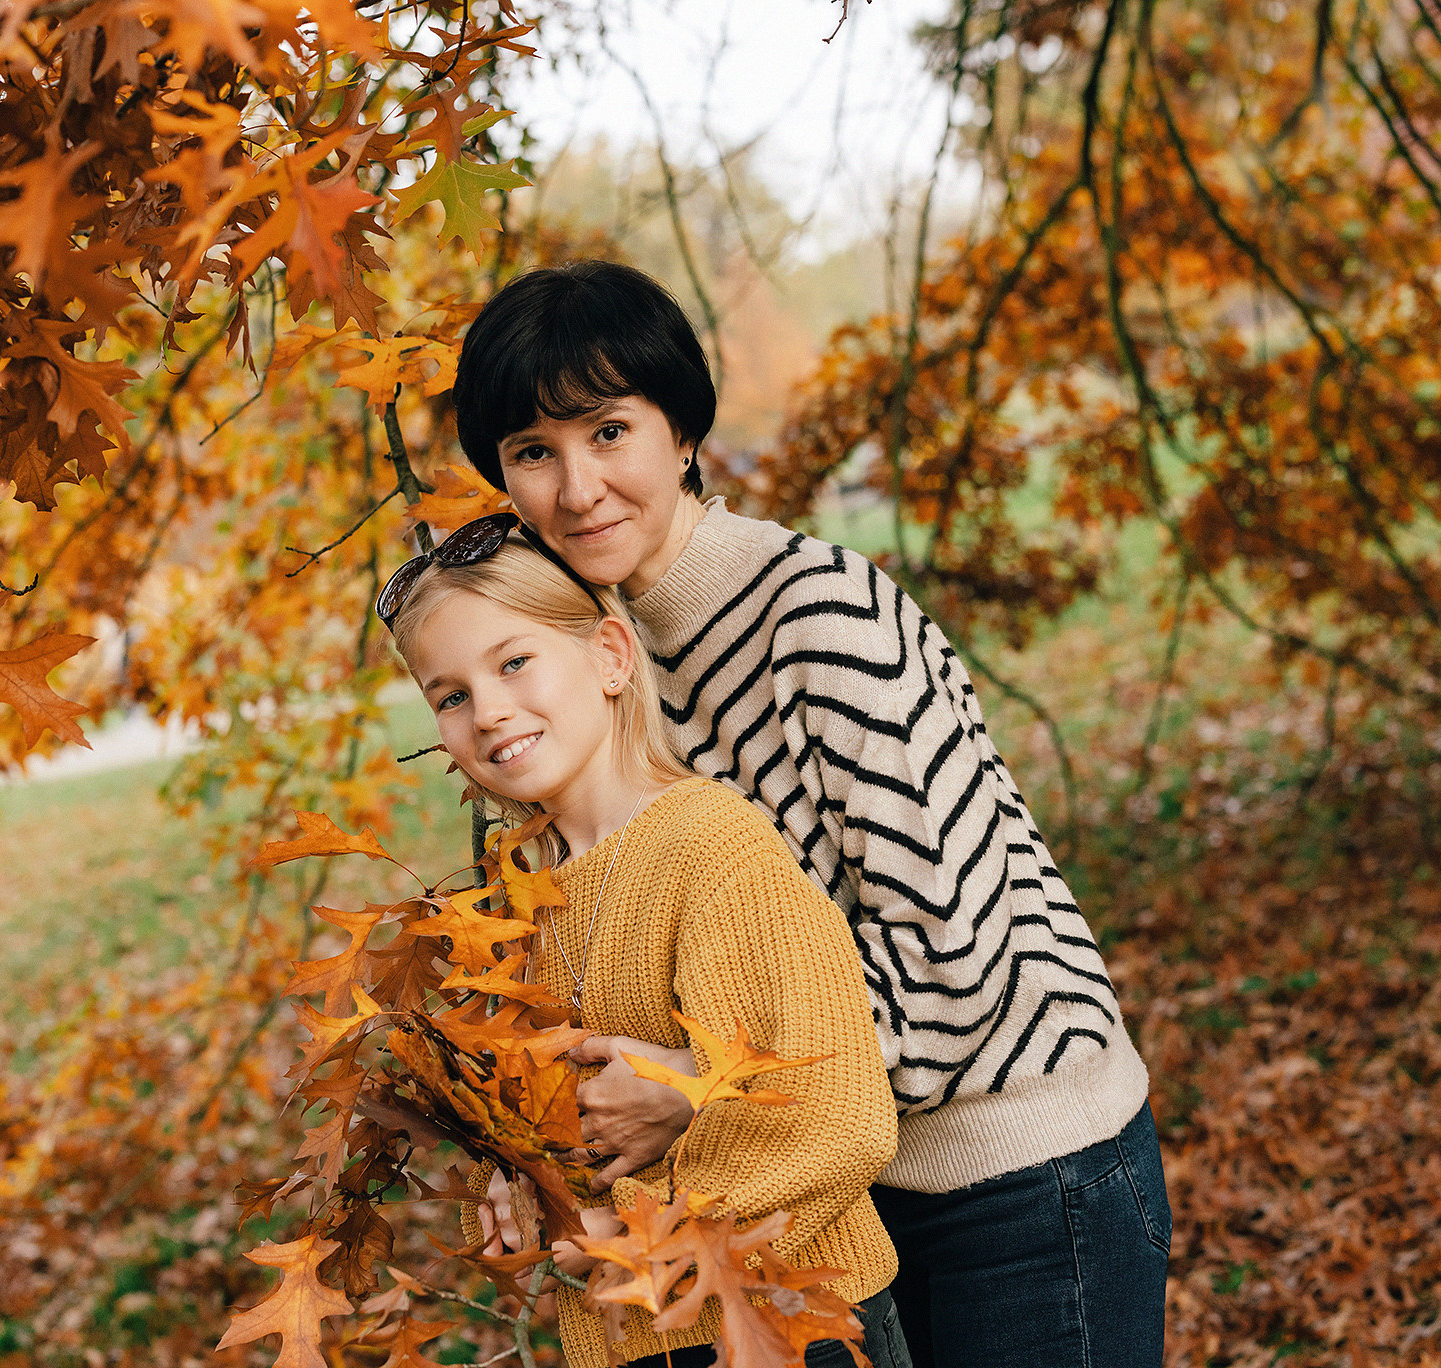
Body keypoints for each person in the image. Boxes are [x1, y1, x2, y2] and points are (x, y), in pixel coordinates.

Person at [449, 260, 1171, 1368]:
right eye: (532, 453)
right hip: (835, 1194)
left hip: (1018, 1170)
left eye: (605, 432)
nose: (576, 487)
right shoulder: (592, 665)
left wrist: (697, 1086)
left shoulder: (825, 618)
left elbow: (955, 963)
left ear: (679, 430)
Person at [381, 527, 913, 1368]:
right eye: (449, 695)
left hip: (789, 1319)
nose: (487, 711)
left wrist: (636, 1234)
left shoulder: (709, 844)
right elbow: (526, 1120)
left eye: (513, 663)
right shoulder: (511, 900)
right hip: (627, 1343)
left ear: (610, 657)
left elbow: (836, 1118)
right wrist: (510, 1192)